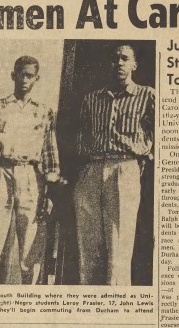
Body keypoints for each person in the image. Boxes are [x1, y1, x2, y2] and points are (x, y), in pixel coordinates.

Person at [0, 56, 63, 284]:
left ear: (36, 79)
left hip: (30, 175)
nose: (24, 80)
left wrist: (49, 187)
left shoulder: (44, 112)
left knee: (30, 241)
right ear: (13, 75)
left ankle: (28, 298)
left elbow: (49, 151)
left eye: (29, 76)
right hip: (1, 172)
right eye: (20, 74)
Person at [74, 44, 154, 285]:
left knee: (118, 244)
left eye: (124, 58)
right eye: (114, 58)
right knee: (88, 244)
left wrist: (144, 155)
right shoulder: (91, 99)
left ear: (133, 65)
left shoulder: (147, 95)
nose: (119, 63)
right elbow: (81, 137)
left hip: (125, 167)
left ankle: (116, 305)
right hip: (92, 168)